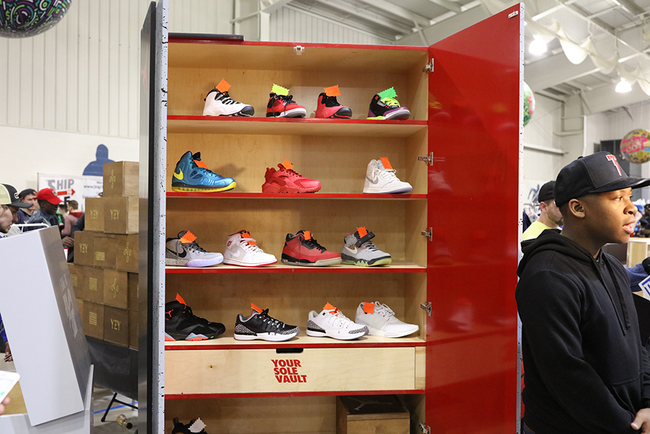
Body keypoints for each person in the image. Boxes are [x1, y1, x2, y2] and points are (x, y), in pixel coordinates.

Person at [516, 151, 650, 434]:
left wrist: (647, 403)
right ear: (578, 208)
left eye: (629, 197)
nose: (632, 209)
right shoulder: (548, 275)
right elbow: (567, 376)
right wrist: (628, 427)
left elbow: (635, 344)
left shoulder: (613, 267)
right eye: (618, 198)